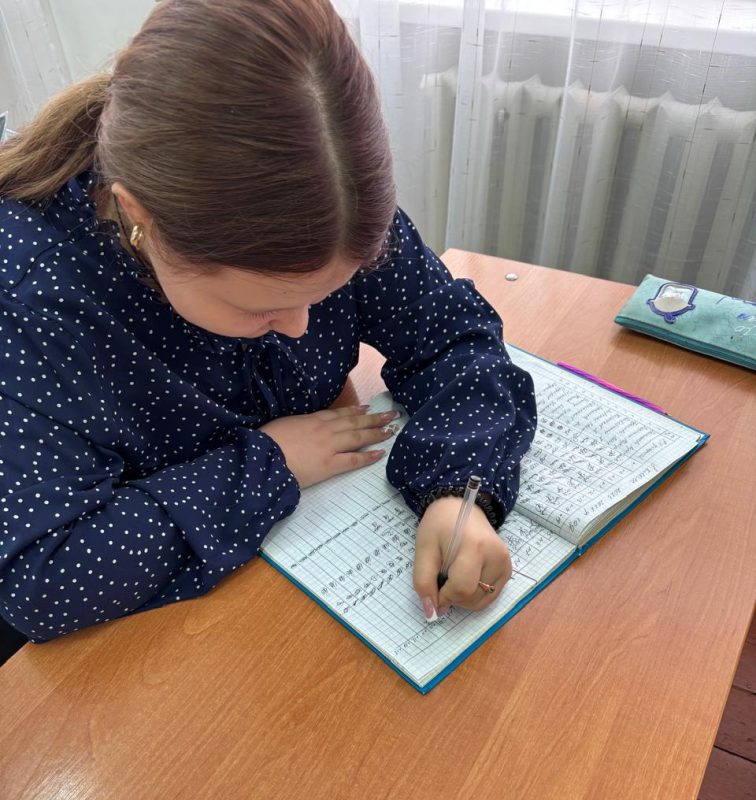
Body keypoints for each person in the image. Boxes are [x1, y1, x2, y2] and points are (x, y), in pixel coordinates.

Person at [0, 0, 536, 645]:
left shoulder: (333, 203)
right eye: (258, 308)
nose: (301, 328)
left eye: (327, 293)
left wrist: (456, 492)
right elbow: (46, 578)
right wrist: (271, 463)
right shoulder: (32, 304)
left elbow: (452, 334)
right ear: (140, 222)